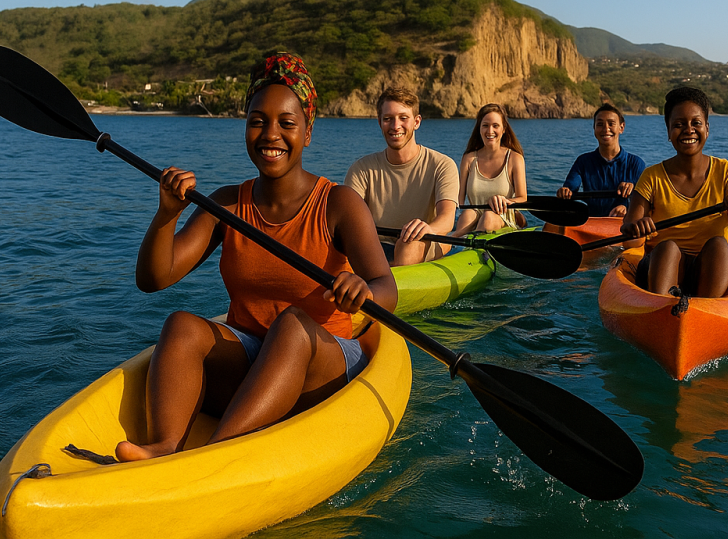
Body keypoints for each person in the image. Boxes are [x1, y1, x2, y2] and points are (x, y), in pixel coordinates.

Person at [115, 53, 397, 462]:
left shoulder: (339, 203)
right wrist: (166, 216)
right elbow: (153, 279)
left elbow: (386, 286)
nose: (271, 134)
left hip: (323, 363)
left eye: (287, 122)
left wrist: (363, 292)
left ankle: (214, 455)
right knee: (181, 325)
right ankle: (165, 446)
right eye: (257, 121)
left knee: (292, 327)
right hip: (252, 360)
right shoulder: (228, 203)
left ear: (308, 132)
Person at [619, 86, 728, 299]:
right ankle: (662, 308)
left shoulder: (727, 172)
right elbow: (629, 243)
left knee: (719, 246)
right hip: (663, 269)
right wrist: (638, 229)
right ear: (668, 132)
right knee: (667, 248)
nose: (688, 130)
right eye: (678, 125)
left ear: (707, 129)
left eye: (696, 123)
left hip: (711, 271)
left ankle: (707, 311)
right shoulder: (652, 177)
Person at [344, 87, 459, 266]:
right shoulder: (361, 169)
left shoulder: (442, 165)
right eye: (388, 119)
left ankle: (386, 288)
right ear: (380, 122)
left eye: (403, 118)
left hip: (424, 240)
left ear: (417, 122)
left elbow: (447, 218)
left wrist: (429, 228)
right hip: (376, 246)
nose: (395, 126)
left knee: (407, 246)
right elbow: (348, 220)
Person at [556, 103, 645, 217]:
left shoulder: (636, 163)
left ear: (621, 127)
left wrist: (627, 206)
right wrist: (564, 192)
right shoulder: (583, 161)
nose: (605, 129)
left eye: (611, 124)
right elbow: (569, 189)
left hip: (624, 226)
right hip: (592, 224)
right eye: (600, 124)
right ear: (594, 129)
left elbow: (645, 202)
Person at [453, 103, 528, 235]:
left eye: (495, 126)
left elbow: (523, 198)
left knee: (488, 217)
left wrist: (506, 200)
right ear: (479, 129)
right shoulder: (468, 159)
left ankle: (474, 248)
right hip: (475, 213)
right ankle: (450, 245)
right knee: (467, 215)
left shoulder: (515, 158)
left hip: (503, 216)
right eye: (485, 125)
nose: (490, 131)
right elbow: (459, 201)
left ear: (504, 128)